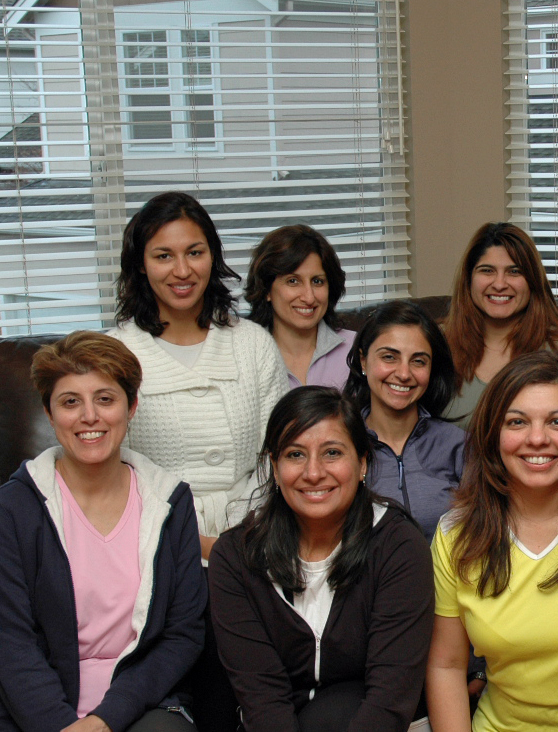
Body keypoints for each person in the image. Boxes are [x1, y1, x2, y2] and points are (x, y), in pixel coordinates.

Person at [0, 332, 205, 732]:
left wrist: (105, 720)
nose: (89, 416)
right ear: (49, 411)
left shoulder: (170, 501)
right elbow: (10, 641)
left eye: (106, 399)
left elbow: (184, 634)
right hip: (35, 708)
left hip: (143, 702)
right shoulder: (12, 509)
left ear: (132, 407)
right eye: (70, 401)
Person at [208, 386, 434, 732]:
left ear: (362, 463)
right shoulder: (237, 555)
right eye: (295, 455)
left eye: (332, 453)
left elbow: (389, 699)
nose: (313, 473)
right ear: (274, 465)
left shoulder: (398, 546)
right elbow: (261, 697)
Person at [426, 351, 558, 731]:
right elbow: (446, 665)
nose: (537, 439)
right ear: (493, 435)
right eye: (517, 422)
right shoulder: (455, 535)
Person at [111, 191, 287, 559]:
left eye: (195, 252)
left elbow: (279, 454)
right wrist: (194, 543)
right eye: (163, 256)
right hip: (153, 545)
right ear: (141, 264)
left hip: (254, 540)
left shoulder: (253, 344)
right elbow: (115, 475)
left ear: (213, 256)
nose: (182, 271)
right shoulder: (116, 354)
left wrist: (243, 540)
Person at [343, 300, 466, 541]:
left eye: (418, 361)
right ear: (364, 360)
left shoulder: (459, 445)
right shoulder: (340, 443)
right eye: (389, 357)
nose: (403, 373)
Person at [442, 222, 558, 429]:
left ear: (532, 281)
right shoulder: (436, 346)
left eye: (514, 271)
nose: (499, 284)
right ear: (469, 279)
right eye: (487, 270)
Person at [245, 224, 356, 388]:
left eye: (317, 281)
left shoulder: (357, 349)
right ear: (266, 289)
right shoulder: (245, 356)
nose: (309, 297)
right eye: (293, 281)